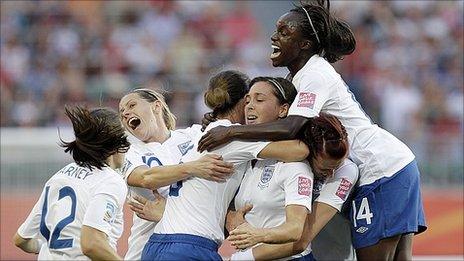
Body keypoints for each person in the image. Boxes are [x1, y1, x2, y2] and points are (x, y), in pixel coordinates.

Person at [197, 1, 426, 260]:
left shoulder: (315, 73)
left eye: (284, 32)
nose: (274, 37)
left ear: (304, 44)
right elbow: (264, 106)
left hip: (379, 168)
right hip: (388, 165)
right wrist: (223, 119)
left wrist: (231, 133)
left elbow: (290, 126)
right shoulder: (297, 78)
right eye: (277, 30)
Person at [141, 70, 309, 261]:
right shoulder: (233, 138)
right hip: (190, 247)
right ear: (240, 102)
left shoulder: (199, 133)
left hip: (157, 244)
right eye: (248, 101)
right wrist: (236, 131)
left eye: (258, 100)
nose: (251, 107)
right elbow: (299, 151)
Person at [118, 88, 235, 260]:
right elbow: (145, 178)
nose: (126, 113)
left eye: (132, 105)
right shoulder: (129, 153)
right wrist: (193, 167)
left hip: (188, 244)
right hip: (145, 250)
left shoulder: (194, 135)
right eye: (121, 112)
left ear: (156, 106)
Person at [13, 106, 130, 260]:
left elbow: (21, 240)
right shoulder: (110, 181)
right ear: (115, 142)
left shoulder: (59, 176)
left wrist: (48, 248)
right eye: (124, 137)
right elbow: (91, 244)